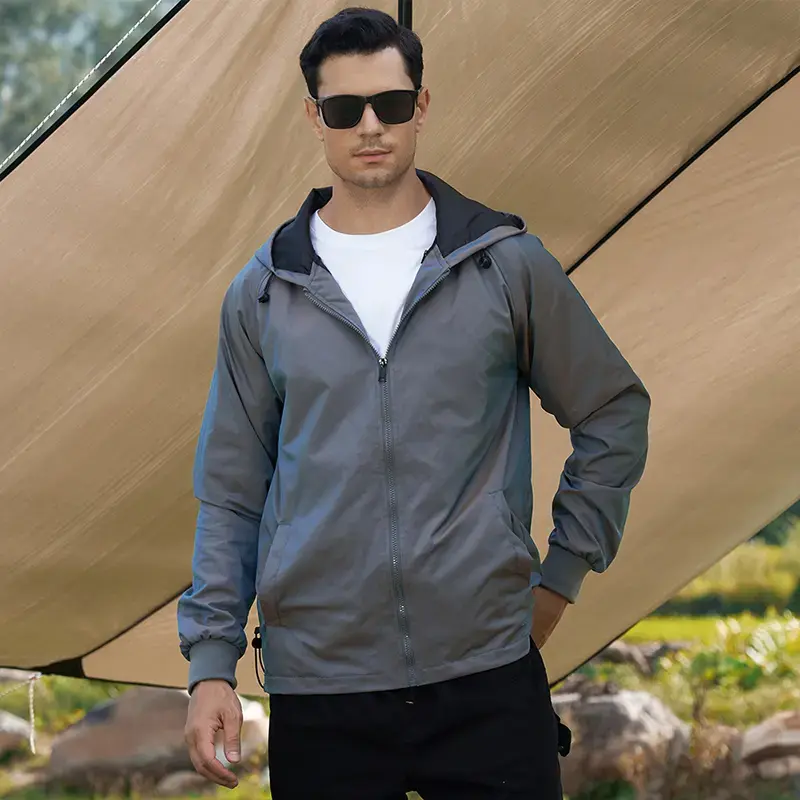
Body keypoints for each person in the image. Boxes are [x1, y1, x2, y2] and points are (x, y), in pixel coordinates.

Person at [177, 6, 650, 799]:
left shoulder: (506, 266)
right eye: (344, 109)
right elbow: (231, 491)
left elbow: (613, 410)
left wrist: (561, 576)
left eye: (391, 104)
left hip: (489, 677)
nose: (370, 126)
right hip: (321, 686)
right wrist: (210, 665)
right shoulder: (261, 295)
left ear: (421, 107)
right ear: (314, 118)